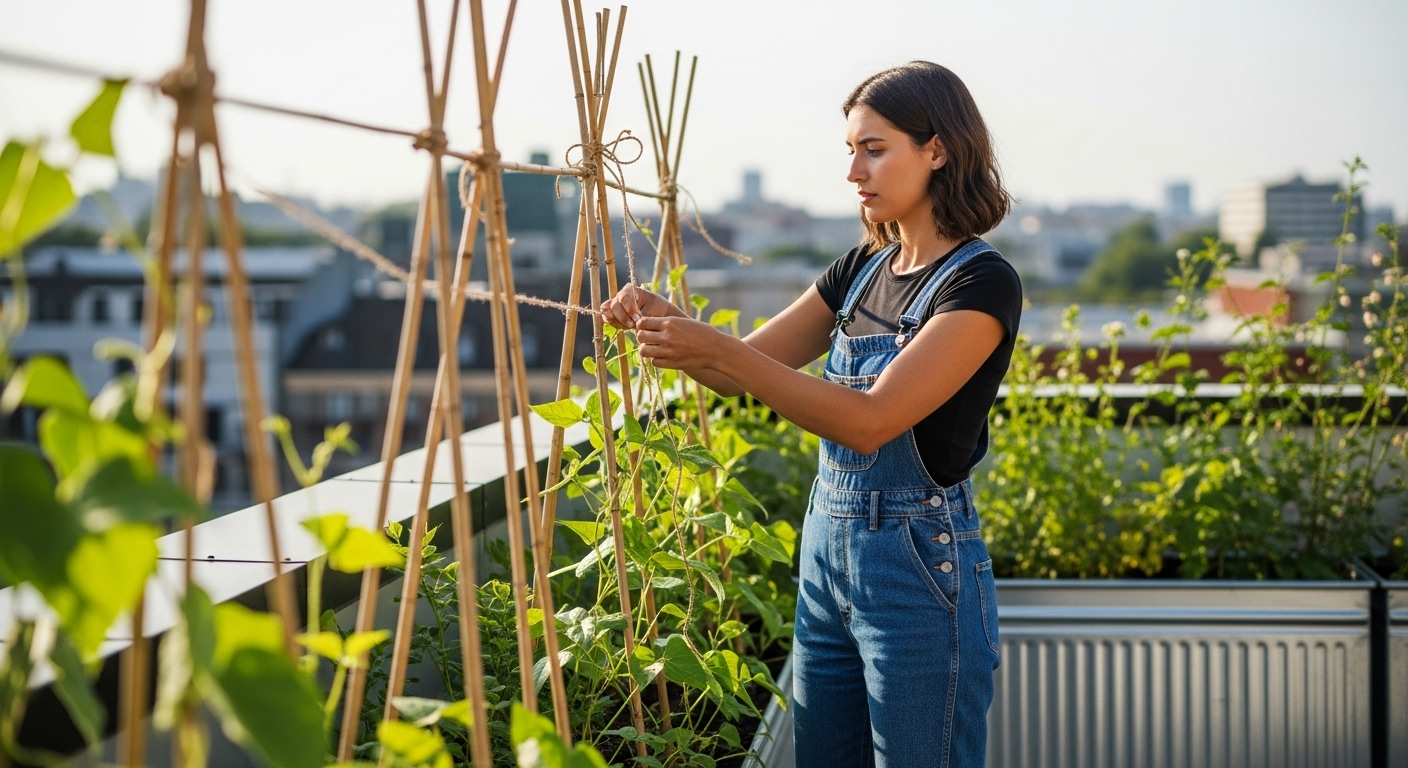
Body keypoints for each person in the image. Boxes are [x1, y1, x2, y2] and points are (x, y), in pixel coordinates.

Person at [601, 61, 1021, 768]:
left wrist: (720, 351)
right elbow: (741, 373)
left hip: (917, 567)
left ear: (938, 150)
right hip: (825, 559)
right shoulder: (860, 268)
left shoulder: (981, 283)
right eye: (851, 150)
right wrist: (672, 326)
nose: (854, 171)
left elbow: (869, 420)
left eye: (874, 149)